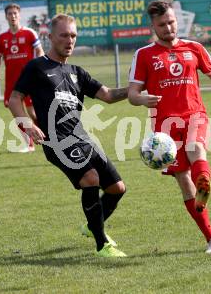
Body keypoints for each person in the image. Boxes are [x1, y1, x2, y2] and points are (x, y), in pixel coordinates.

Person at [128, 0, 211, 254]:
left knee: (196, 148)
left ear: (176, 20)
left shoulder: (194, 48)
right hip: (164, 128)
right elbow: (132, 93)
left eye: (171, 22)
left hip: (194, 114)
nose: (168, 27)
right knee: (185, 182)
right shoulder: (144, 55)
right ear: (153, 25)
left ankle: (204, 180)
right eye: (162, 24)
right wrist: (142, 99)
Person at [8, 14, 129, 258]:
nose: (69, 40)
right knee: (90, 178)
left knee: (117, 188)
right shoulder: (37, 67)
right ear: (50, 37)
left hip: (82, 138)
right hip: (56, 141)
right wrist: (27, 125)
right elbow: (14, 99)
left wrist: (137, 88)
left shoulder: (77, 72)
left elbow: (107, 95)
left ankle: (92, 225)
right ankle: (101, 243)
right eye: (64, 35)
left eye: (73, 35)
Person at [0, 3, 44, 152]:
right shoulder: (3, 38)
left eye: (15, 13)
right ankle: (28, 144)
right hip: (11, 82)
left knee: (33, 113)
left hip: (29, 81)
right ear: (6, 16)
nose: (13, 16)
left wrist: (38, 68)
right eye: (10, 14)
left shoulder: (29, 33)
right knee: (16, 113)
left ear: (19, 15)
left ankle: (43, 134)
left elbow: (39, 51)